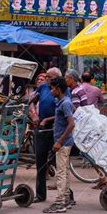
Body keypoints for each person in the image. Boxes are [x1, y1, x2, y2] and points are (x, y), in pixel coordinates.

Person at [43, 77, 74, 213]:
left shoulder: (65, 103)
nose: (51, 91)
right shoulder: (62, 102)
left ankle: (60, 202)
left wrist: (59, 141)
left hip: (63, 143)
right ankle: (66, 198)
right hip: (65, 143)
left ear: (58, 89)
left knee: (61, 172)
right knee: (65, 171)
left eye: (52, 88)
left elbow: (71, 124)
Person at [30, 67, 61, 204]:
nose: (46, 78)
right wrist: (34, 115)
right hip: (41, 128)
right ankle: (40, 194)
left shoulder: (61, 90)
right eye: (46, 76)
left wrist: (48, 120)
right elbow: (31, 102)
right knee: (40, 163)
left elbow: (64, 110)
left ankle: (66, 194)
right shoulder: (42, 88)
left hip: (56, 129)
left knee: (60, 164)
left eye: (49, 77)